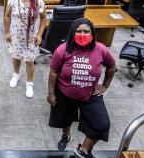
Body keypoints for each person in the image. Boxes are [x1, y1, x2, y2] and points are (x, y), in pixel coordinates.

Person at [47, 18, 116, 158]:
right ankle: (66, 136)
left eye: (86, 31)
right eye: (79, 31)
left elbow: (112, 67)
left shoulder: (101, 49)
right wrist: (51, 93)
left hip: (90, 94)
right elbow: (53, 72)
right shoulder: (62, 50)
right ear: (72, 33)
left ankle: (83, 150)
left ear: (92, 33)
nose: (82, 34)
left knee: (102, 124)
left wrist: (105, 86)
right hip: (65, 93)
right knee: (64, 120)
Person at [4, 0, 46, 98]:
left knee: (29, 61)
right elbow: (7, 16)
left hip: (31, 37)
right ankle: (15, 75)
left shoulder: (39, 2)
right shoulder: (12, 0)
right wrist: (7, 32)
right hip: (16, 35)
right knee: (16, 57)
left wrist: (39, 34)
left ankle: (29, 84)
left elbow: (44, 18)